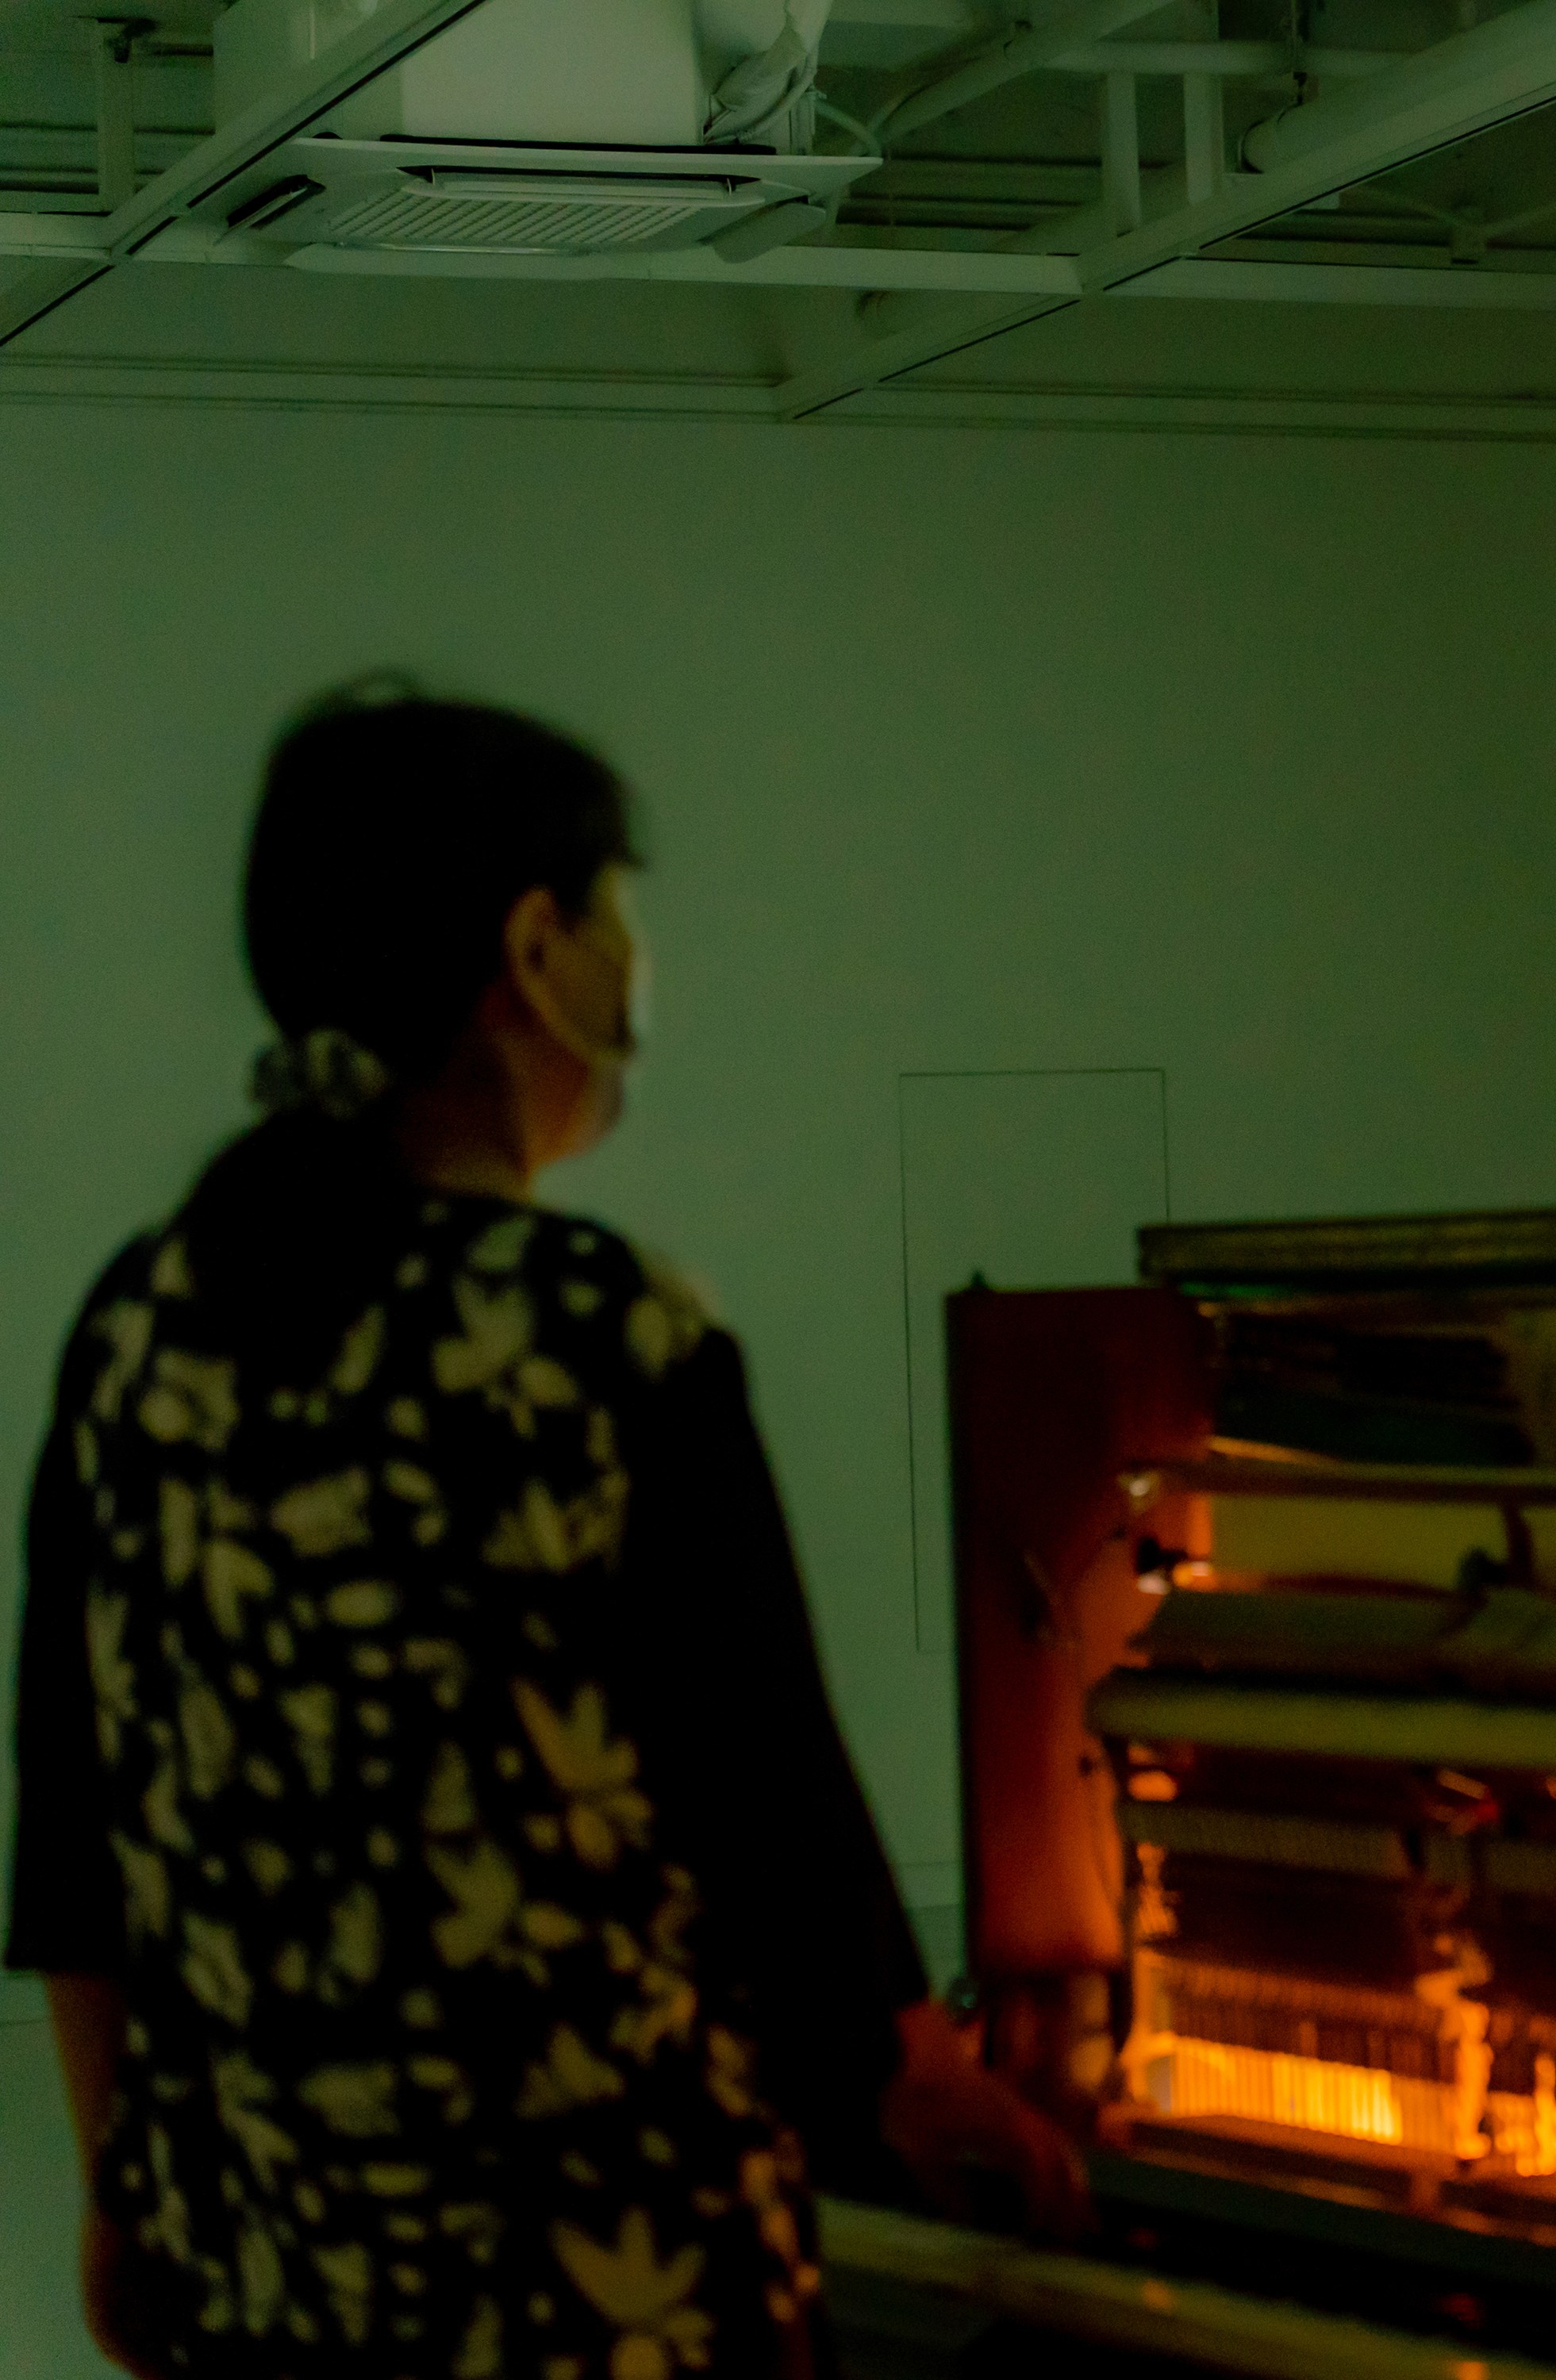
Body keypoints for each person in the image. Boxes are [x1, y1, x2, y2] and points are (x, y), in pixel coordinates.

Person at [7, 685, 1088, 2379]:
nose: (632, 966)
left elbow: (74, 1834)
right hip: (601, 2278)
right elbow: (774, 1802)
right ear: (534, 948)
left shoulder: (138, 1328)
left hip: (271, 2269)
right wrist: (931, 2082)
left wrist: (120, 2192)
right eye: (613, 916)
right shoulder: (601, 1331)